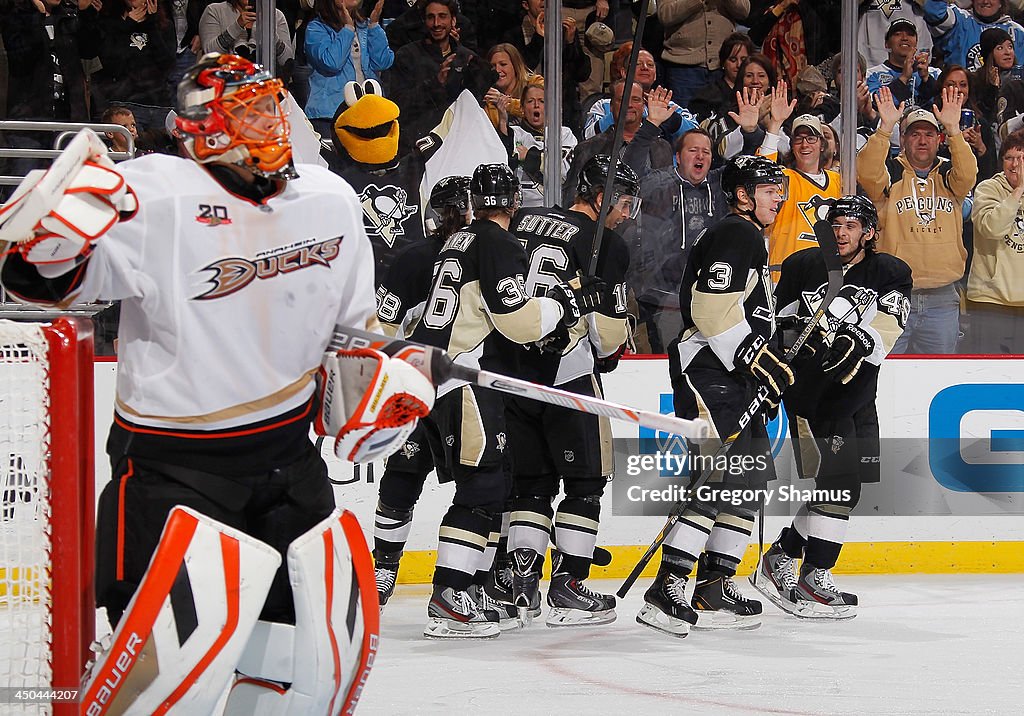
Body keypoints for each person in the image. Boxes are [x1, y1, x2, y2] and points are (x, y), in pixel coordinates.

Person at [0, 52, 433, 711]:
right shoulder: (154, 194)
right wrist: (48, 239)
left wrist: (381, 379)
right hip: (174, 472)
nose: (270, 124)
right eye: (249, 112)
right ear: (202, 126)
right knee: (172, 683)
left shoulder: (331, 199)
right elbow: (41, 285)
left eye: (271, 107)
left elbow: (353, 335)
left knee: (310, 670)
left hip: (289, 465)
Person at [410, 163, 606, 638]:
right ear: (515, 202)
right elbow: (517, 320)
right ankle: (450, 594)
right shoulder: (496, 242)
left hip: (435, 373)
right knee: (484, 489)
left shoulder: (458, 240)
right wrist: (566, 305)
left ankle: (467, 589)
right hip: (465, 376)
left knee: (491, 485)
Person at [638, 155, 791, 638]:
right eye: (768, 189)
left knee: (749, 479)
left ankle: (715, 580)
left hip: (731, 373)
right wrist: (755, 358)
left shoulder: (750, 237)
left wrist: (757, 368)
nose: (779, 196)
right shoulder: (736, 233)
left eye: (779, 189)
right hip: (708, 370)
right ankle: (667, 586)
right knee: (717, 477)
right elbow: (708, 309)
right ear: (743, 195)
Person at [752, 195, 912, 619]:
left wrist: (858, 341)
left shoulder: (889, 272)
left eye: (850, 226)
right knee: (839, 482)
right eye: (836, 224)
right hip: (812, 393)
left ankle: (781, 556)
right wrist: (772, 367)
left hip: (859, 394)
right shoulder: (803, 265)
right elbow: (774, 324)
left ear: (869, 232)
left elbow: (889, 325)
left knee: (848, 487)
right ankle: (813, 577)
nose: (840, 232)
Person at [506, 154, 636, 627]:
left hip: (511, 373)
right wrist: (610, 344)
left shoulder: (523, 218)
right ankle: (567, 586)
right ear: (600, 199)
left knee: (531, 483)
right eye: (622, 203)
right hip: (568, 375)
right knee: (585, 482)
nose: (625, 214)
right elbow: (606, 335)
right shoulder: (607, 244)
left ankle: (518, 587)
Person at [372, 175, 473, 611]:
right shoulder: (473, 256)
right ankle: (473, 577)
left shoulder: (412, 257)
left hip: (432, 383)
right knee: (419, 475)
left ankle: (387, 563)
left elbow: (380, 329)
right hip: (456, 386)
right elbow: (381, 327)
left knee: (406, 475)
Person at [858, 86, 977, 354]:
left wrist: (955, 132)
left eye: (929, 134)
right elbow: (865, 173)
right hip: (892, 295)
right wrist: (884, 128)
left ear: (939, 139)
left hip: (942, 298)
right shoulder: (890, 173)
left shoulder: (950, 175)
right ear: (903, 138)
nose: (922, 141)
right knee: (885, 373)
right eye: (914, 134)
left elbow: (969, 175)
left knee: (938, 376)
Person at [634, 128, 728, 352]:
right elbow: (630, 172)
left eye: (706, 152)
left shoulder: (719, 184)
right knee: (670, 361)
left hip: (710, 298)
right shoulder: (660, 182)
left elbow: (749, 167)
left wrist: (751, 131)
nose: (700, 156)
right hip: (667, 300)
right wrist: (649, 127)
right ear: (678, 157)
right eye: (693, 150)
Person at [383, 0, 495, 155]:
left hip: (460, 145)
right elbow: (398, 105)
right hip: (416, 148)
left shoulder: (467, 57)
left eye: (442, 16)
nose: (436, 23)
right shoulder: (406, 55)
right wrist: (436, 83)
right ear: (424, 20)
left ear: (453, 20)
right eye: (431, 17)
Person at [759, 107, 843, 282]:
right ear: (791, 145)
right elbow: (761, 174)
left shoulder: (839, 181)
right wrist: (774, 126)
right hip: (785, 277)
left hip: (829, 277)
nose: (805, 145)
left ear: (822, 145)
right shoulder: (785, 178)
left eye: (811, 138)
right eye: (799, 139)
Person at [562, 80, 674, 206]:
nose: (629, 105)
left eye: (636, 99)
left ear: (644, 106)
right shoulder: (589, 148)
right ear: (611, 106)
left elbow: (667, 197)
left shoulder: (663, 148)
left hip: (651, 223)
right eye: (622, 99)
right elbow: (571, 199)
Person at [966, 130, 1024, 352]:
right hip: (990, 302)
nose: (1015, 165)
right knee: (989, 377)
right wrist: (1018, 190)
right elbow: (992, 228)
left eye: (1022, 158)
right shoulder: (987, 189)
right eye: (1009, 157)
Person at [304, 0, 394, 140]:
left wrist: (374, 25)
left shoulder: (365, 26)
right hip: (329, 115)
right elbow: (331, 62)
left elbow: (382, 62)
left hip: (367, 113)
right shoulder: (316, 28)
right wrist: (348, 29)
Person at [86, 0, 178, 130]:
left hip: (159, 104)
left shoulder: (164, 26)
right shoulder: (110, 24)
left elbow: (167, 64)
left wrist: (150, 25)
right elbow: (112, 64)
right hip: (124, 103)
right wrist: (128, 25)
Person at [656, 0, 750, 108]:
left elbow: (744, 11)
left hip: (722, 66)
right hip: (683, 68)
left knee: (724, 119)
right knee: (684, 119)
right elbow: (665, 15)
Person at [504, 78, 578, 207]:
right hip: (522, 210)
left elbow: (563, 172)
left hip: (556, 209)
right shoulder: (514, 133)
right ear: (522, 108)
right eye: (530, 101)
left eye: (542, 101)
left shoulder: (564, 134)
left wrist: (529, 157)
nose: (536, 105)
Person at [923, 0, 1024, 72]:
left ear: (1001, 3)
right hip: (961, 96)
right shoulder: (959, 21)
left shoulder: (1018, 32)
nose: (985, 1)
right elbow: (933, 12)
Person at [865, 18, 939, 111]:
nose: (904, 38)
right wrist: (903, 78)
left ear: (916, 42)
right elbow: (874, 106)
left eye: (910, 34)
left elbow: (941, 102)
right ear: (887, 44)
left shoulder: (935, 73)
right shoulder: (871, 75)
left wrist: (926, 79)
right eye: (897, 34)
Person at [689, 32, 755, 122]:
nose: (739, 65)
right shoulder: (705, 98)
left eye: (744, 59)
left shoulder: (757, 91)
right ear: (723, 62)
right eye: (733, 60)